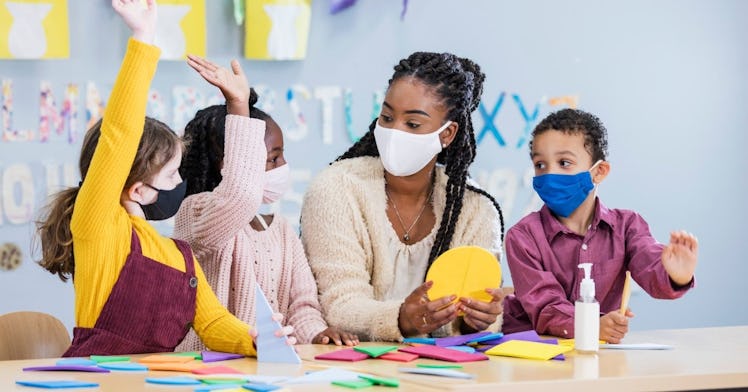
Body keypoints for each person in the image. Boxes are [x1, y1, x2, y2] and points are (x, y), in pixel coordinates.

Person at [35, 0, 292, 356]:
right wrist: (144, 39)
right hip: (98, 382)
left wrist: (253, 339)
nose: (180, 182)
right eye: (172, 174)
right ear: (138, 189)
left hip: (158, 380)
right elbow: (119, 136)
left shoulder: (180, 256)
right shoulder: (98, 226)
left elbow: (214, 323)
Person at [300, 52, 506, 341]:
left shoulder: (477, 209)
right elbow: (339, 305)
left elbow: (470, 323)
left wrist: (476, 321)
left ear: (447, 134)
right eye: (386, 117)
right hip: (348, 371)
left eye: (412, 124)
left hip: (440, 377)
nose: (393, 131)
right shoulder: (336, 188)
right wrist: (401, 320)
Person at [174, 55, 359, 349]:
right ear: (232, 161)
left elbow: (302, 305)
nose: (283, 165)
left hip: (264, 365)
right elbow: (240, 196)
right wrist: (239, 106)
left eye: (281, 155)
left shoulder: (282, 230)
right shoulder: (195, 214)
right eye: (271, 159)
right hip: (207, 367)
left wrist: (316, 333)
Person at [502, 108, 698, 343]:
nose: (549, 174)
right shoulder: (523, 236)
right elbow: (545, 307)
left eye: (564, 162)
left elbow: (652, 267)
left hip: (593, 352)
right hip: (530, 352)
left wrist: (676, 275)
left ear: (600, 171)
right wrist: (591, 325)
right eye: (540, 165)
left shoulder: (627, 226)